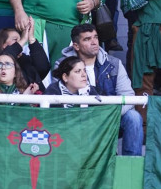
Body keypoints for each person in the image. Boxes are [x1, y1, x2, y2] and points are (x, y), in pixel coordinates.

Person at [53, 24, 143, 156]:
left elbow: (128, 96)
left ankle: (130, 165)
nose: (94, 42)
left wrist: (107, 114)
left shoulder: (114, 63)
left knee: (134, 117)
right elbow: (58, 98)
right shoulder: (63, 65)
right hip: (77, 120)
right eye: (87, 39)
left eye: (95, 37)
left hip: (109, 118)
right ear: (76, 46)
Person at [0, 24, 49, 89]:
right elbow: (4, 57)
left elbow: (43, 68)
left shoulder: (23, 60)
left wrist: (31, 39)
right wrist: (23, 39)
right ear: (2, 44)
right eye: (15, 40)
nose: (21, 43)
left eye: (21, 40)